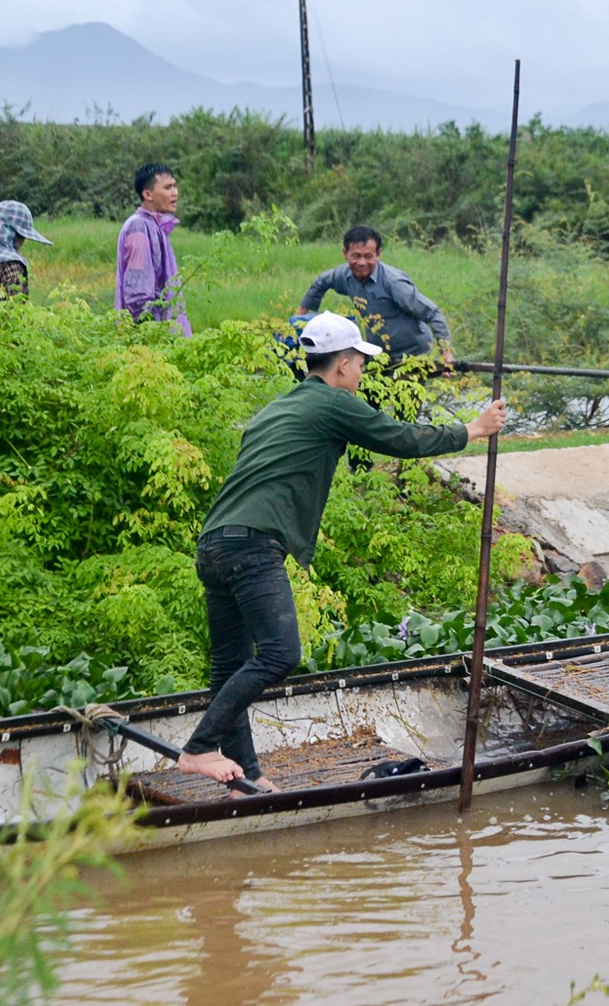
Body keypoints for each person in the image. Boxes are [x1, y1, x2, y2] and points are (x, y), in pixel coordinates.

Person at [179, 311, 508, 787]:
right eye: (359, 364)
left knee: (231, 664)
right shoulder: (333, 403)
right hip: (253, 544)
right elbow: (400, 437)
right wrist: (473, 430)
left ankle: (246, 778)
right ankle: (199, 748)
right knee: (280, 654)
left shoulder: (277, 407)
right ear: (342, 366)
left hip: (214, 543)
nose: (361, 373)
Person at [297, 225, 453, 362]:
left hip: (412, 353)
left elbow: (432, 313)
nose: (362, 263)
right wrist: (301, 313)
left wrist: (446, 353)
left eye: (368, 256)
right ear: (345, 254)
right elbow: (321, 281)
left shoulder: (394, 282)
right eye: (356, 256)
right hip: (378, 353)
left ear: (378, 254)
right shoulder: (343, 275)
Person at [116, 163, 191, 335]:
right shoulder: (139, 228)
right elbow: (137, 295)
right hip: (152, 343)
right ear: (148, 194)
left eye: (174, 186)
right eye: (167, 187)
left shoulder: (156, 226)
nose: (175, 192)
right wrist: (151, 337)